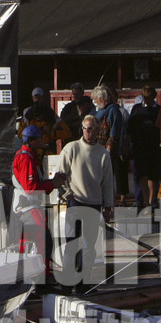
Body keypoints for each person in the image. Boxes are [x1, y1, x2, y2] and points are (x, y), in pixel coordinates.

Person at [57, 114, 115, 292]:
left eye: (91, 128)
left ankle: (83, 284)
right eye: (85, 128)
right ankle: (67, 283)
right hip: (75, 203)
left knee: (89, 247)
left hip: (94, 204)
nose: (88, 132)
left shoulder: (104, 154)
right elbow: (60, 176)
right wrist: (66, 194)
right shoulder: (71, 148)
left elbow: (107, 183)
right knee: (72, 245)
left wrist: (108, 205)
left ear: (97, 130)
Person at [11, 125, 55, 256]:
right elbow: (30, 188)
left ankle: (25, 273)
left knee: (26, 243)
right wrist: (52, 184)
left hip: (25, 209)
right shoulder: (26, 158)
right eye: (41, 137)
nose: (43, 140)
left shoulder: (25, 156)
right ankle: (42, 275)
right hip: (29, 209)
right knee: (44, 242)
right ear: (33, 141)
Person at [93, 87, 132, 205]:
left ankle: (115, 200)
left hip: (111, 150)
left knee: (112, 176)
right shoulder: (99, 111)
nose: (95, 102)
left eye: (96, 100)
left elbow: (114, 132)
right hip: (98, 148)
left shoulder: (114, 111)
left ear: (102, 99)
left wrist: (109, 148)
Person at [128, 86, 161, 211]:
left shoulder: (159, 110)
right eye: (144, 97)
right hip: (139, 147)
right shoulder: (137, 109)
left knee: (154, 177)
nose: (146, 100)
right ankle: (145, 202)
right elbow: (129, 128)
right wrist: (127, 144)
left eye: (149, 97)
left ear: (154, 97)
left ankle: (151, 201)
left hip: (154, 147)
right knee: (142, 175)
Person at [58, 82, 94, 147]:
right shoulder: (69, 107)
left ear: (82, 93)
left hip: (86, 138)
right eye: (74, 94)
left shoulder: (89, 105)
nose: (75, 97)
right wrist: (77, 118)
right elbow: (63, 119)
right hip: (72, 138)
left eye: (77, 94)